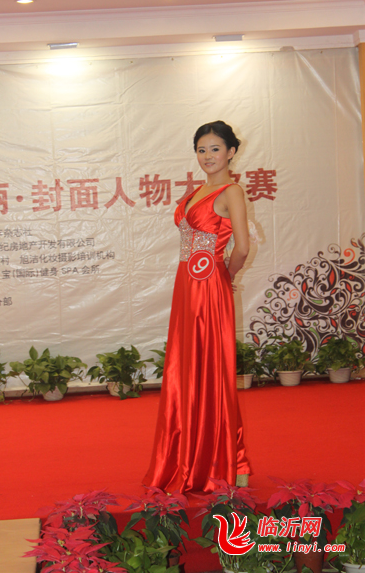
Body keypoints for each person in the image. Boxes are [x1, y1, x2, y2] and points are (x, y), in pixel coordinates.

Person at [142, 120, 251, 493]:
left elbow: (242, 246)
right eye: (201, 150)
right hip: (186, 286)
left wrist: (225, 276)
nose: (207, 156)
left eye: (215, 149)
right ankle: (196, 455)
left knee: (210, 371)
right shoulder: (198, 191)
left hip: (208, 288)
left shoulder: (231, 191)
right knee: (187, 370)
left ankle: (224, 461)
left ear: (231, 152)